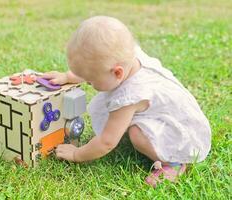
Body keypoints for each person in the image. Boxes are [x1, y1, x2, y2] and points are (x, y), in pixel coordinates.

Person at [41, 16, 211, 187]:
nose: (88, 84)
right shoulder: (126, 56)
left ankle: (173, 164)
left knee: (136, 134)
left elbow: (107, 142)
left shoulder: (129, 97)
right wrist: (68, 76)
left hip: (181, 133)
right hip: (171, 113)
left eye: (90, 81)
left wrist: (77, 154)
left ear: (117, 73)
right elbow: (95, 65)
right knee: (130, 127)